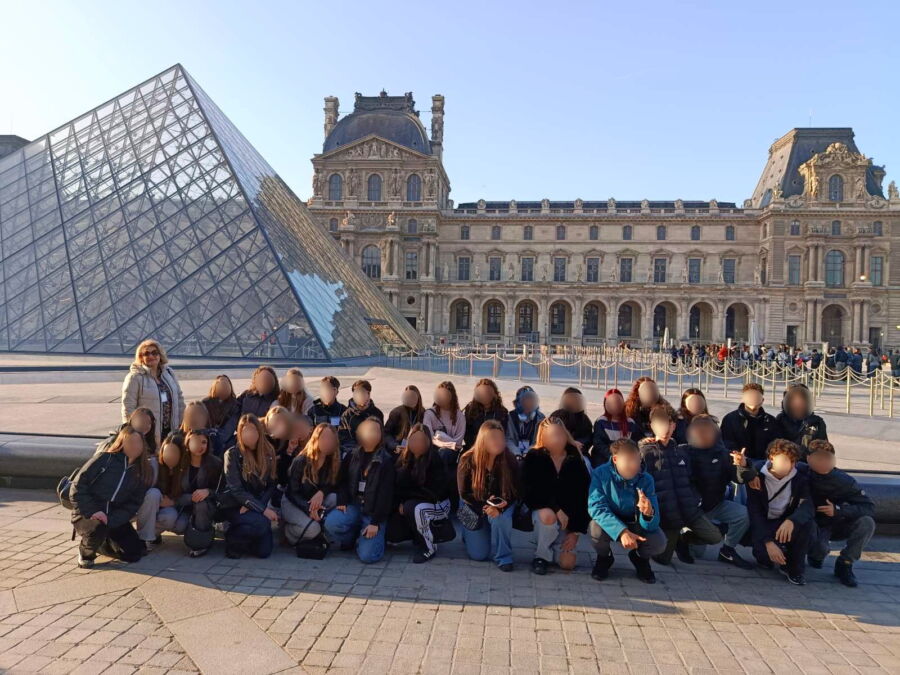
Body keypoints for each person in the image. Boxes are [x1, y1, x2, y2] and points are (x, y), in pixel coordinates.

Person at [637, 404, 724, 566]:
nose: (665, 428)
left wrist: (695, 498)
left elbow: (693, 477)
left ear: (674, 426)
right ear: (652, 426)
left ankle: (682, 539)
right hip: (666, 514)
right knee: (663, 560)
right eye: (660, 424)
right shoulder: (644, 452)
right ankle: (671, 540)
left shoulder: (682, 451)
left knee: (715, 537)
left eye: (669, 424)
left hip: (689, 510)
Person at [71, 425, 155, 567]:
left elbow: (133, 504)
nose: (134, 446)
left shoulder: (143, 471)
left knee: (135, 553)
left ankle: (101, 544)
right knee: (97, 529)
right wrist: (94, 511)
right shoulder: (105, 459)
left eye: (138, 442)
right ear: (121, 443)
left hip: (113, 516)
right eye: (130, 442)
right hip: (88, 514)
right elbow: (77, 487)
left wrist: (112, 520)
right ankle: (86, 553)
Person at [681, 415, 756, 568]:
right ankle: (682, 537)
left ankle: (728, 550)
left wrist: (743, 465)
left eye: (708, 430)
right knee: (696, 553)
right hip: (692, 510)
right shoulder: (682, 451)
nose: (704, 433)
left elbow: (740, 479)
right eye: (699, 430)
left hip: (716, 504)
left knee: (743, 514)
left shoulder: (724, 454)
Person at [587, 438, 665, 583]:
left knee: (659, 542)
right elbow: (596, 508)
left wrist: (648, 513)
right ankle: (604, 558)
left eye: (636, 460)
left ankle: (640, 559)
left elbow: (653, 525)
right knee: (594, 530)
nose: (633, 466)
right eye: (628, 461)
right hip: (611, 522)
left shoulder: (646, 479)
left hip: (635, 522)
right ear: (615, 459)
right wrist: (622, 532)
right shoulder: (601, 474)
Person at [523, 417, 591, 574]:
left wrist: (576, 532)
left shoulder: (575, 459)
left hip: (568, 520)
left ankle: (552, 544)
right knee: (548, 516)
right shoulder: (534, 456)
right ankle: (541, 555)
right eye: (551, 436)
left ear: (566, 435)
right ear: (543, 438)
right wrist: (556, 509)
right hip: (544, 512)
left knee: (567, 564)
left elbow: (584, 497)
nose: (556, 439)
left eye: (559, 434)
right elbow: (531, 492)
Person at [325, 417, 396, 563]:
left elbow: (386, 496)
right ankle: (353, 537)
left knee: (368, 556)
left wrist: (375, 522)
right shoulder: (352, 455)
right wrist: (342, 500)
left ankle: (372, 538)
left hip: (374, 512)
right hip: (355, 505)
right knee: (331, 523)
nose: (372, 433)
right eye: (368, 430)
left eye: (376, 430)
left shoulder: (386, 461)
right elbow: (342, 481)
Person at [805, 440, 876, 587]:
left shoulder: (844, 481)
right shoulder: (801, 473)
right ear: (808, 459)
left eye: (827, 458)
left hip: (837, 522)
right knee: (819, 550)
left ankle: (845, 563)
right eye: (819, 459)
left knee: (867, 523)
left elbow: (867, 507)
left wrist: (838, 510)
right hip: (812, 524)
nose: (823, 463)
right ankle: (815, 555)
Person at [747, 439, 814, 585]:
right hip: (763, 524)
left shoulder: (799, 478)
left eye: (792, 461)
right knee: (765, 558)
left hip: (784, 522)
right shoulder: (757, 476)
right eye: (784, 460)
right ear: (771, 458)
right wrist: (768, 542)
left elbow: (807, 506)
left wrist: (792, 520)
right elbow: (755, 512)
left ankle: (795, 569)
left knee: (807, 524)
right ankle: (767, 552)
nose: (789, 465)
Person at [457, 420, 520, 571]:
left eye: (501, 438)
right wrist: (486, 506)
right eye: (493, 437)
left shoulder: (510, 459)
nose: (498, 442)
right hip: (473, 504)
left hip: (501, 504)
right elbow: (464, 493)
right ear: (483, 440)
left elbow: (517, 490)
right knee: (479, 555)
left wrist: (501, 506)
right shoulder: (467, 459)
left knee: (501, 519)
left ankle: (504, 557)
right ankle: (468, 531)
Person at [389, 423, 451, 563]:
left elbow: (435, 492)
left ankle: (429, 547)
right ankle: (417, 535)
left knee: (414, 508)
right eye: (414, 439)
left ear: (428, 441)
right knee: (393, 532)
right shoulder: (403, 458)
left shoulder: (435, 459)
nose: (418, 443)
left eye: (422, 440)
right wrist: (400, 502)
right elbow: (397, 487)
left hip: (438, 504)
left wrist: (406, 501)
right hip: (412, 503)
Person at [156, 430, 223, 557]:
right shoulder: (181, 463)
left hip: (207, 507)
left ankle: (201, 542)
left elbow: (221, 491)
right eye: (195, 442)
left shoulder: (215, 463)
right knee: (179, 525)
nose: (200, 446)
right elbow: (175, 493)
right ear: (187, 443)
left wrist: (208, 491)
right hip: (184, 506)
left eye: (204, 442)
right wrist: (191, 498)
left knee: (201, 504)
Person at [222, 414, 279, 559]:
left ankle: (247, 541)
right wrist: (262, 509)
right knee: (262, 523)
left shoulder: (268, 452)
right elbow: (236, 490)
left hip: (256, 503)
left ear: (259, 431)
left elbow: (271, 484)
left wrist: (257, 505)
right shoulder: (232, 454)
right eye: (245, 430)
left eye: (252, 429)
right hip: (237, 505)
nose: (249, 434)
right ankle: (233, 538)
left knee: (264, 552)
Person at [283, 423, 341, 549]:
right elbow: (292, 493)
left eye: (331, 438)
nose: (328, 441)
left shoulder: (333, 461)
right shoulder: (301, 460)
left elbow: (333, 484)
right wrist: (309, 508)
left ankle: (314, 526)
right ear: (316, 439)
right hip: (293, 502)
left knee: (334, 498)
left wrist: (321, 493)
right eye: (324, 437)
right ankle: (288, 532)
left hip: (315, 502)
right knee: (313, 529)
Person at [121, 339, 184, 446]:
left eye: (154, 353)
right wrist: (132, 433)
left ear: (160, 355)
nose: (151, 356)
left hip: (171, 430)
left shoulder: (169, 373)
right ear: (141, 357)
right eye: (146, 353)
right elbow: (128, 408)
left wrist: (182, 425)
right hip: (147, 433)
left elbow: (179, 399)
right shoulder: (134, 377)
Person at [423, 381, 466, 507]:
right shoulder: (429, 413)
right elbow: (428, 436)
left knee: (444, 455)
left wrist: (445, 443)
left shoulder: (459, 416)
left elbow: (458, 441)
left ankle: (443, 499)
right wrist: (447, 443)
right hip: (434, 448)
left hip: (451, 452)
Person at [720, 383, 779, 461]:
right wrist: (738, 457)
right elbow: (726, 444)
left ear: (762, 400)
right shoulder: (730, 419)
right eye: (749, 397)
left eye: (757, 397)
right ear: (743, 399)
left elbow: (776, 445)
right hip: (738, 463)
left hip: (765, 464)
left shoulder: (771, 421)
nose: (753, 399)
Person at [776, 383, 828, 459]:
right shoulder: (780, 420)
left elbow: (824, 448)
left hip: (810, 462)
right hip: (787, 461)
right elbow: (776, 448)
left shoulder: (817, 422)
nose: (798, 403)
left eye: (802, 399)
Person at [591, 388, 641, 466]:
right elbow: (598, 444)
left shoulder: (630, 422)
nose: (614, 405)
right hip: (605, 460)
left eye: (618, 402)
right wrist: (613, 456)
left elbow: (637, 441)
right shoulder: (601, 421)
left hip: (627, 460)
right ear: (605, 404)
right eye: (610, 403)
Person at [228, 366, 280, 440]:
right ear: (255, 380)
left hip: (262, 438)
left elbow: (272, 424)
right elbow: (233, 407)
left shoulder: (276, 400)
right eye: (261, 379)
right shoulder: (247, 394)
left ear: (274, 382)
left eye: (268, 379)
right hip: (240, 434)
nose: (264, 381)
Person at [339, 380, 385, 454]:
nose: (360, 395)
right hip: (353, 452)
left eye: (362, 392)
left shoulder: (377, 413)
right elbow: (344, 438)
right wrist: (358, 451)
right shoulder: (347, 415)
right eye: (357, 393)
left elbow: (380, 437)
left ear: (368, 394)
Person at [462, 378, 509, 450]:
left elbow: (503, 434)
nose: (484, 395)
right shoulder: (470, 410)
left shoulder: (502, 412)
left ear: (494, 394)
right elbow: (467, 434)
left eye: (487, 392)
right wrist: (478, 446)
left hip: (494, 448)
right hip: (474, 447)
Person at [264, 405, 296, 505]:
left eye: (280, 422)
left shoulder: (291, 437)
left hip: (282, 479)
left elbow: (288, 462)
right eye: (273, 422)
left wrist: (289, 451)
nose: (276, 425)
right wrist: (281, 456)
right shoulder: (263, 436)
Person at [549, 387, 593, 457]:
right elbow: (550, 435)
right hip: (558, 453)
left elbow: (588, 437)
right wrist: (570, 443)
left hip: (580, 453)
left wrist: (579, 444)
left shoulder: (584, 419)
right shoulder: (557, 415)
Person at [202, 374, 238, 453]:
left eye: (226, 384)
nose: (223, 387)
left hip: (225, 444)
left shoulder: (235, 405)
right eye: (220, 384)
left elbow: (228, 430)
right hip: (206, 441)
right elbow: (201, 425)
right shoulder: (205, 403)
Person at [383, 385, 425, 451]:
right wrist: (394, 445)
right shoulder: (397, 412)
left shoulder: (423, 413)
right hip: (399, 447)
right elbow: (386, 433)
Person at [506, 386, 544, 456]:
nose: (529, 402)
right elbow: (508, 439)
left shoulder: (541, 417)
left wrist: (528, 452)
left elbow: (540, 440)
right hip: (514, 454)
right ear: (518, 402)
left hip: (533, 454)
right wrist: (516, 453)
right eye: (526, 399)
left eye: (532, 399)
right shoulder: (511, 416)